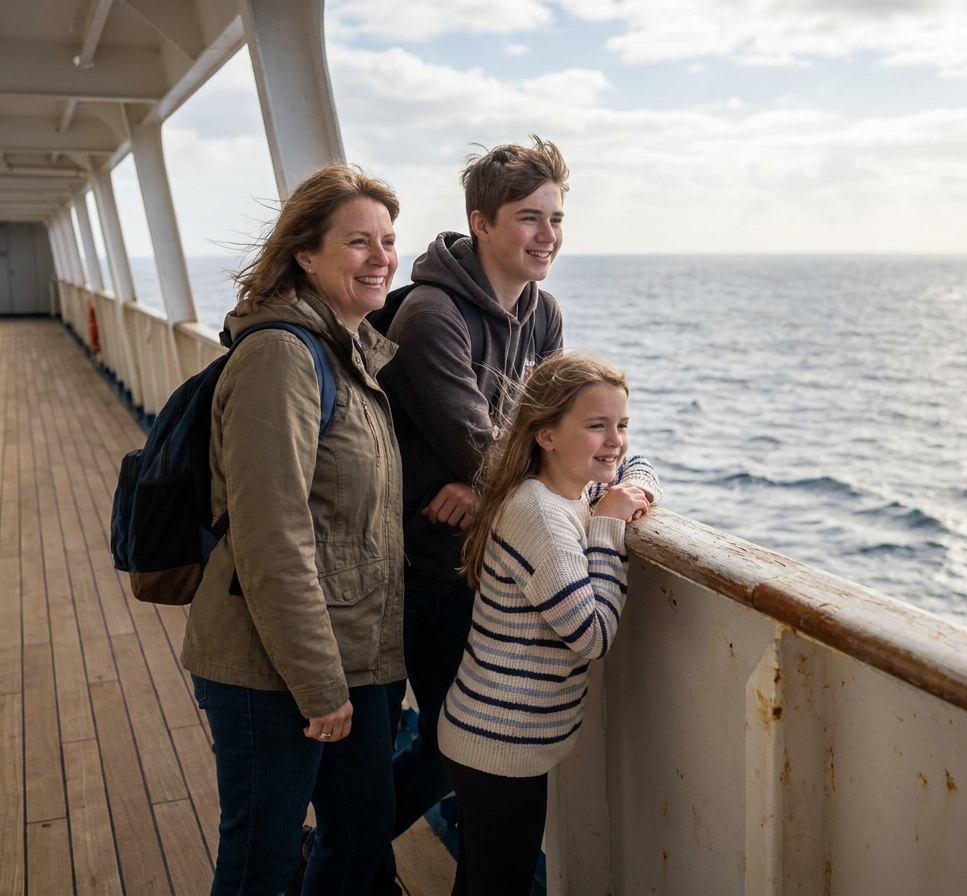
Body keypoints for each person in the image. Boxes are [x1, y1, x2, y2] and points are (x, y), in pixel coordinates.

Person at [179, 164, 405, 896]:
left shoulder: (350, 350)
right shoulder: (282, 356)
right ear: (306, 255)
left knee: (363, 826)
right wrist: (318, 686)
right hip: (270, 666)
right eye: (358, 242)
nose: (381, 258)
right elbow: (272, 537)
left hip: (352, 654)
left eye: (388, 241)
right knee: (261, 860)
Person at [377, 136, 569, 839]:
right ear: (481, 222)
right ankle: (348, 865)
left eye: (554, 218)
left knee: (453, 747)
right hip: (398, 570)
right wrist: (493, 475)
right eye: (528, 217)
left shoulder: (543, 314)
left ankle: (339, 859)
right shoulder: (433, 316)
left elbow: (557, 436)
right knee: (392, 749)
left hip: (469, 567)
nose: (546, 236)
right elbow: (485, 447)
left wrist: (485, 488)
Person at [440, 352, 660, 894]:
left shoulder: (574, 488)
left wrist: (633, 490)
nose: (616, 440)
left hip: (497, 738)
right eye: (596, 426)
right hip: (499, 748)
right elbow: (593, 635)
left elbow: (636, 467)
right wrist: (608, 530)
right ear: (546, 435)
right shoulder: (539, 515)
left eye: (622, 424)